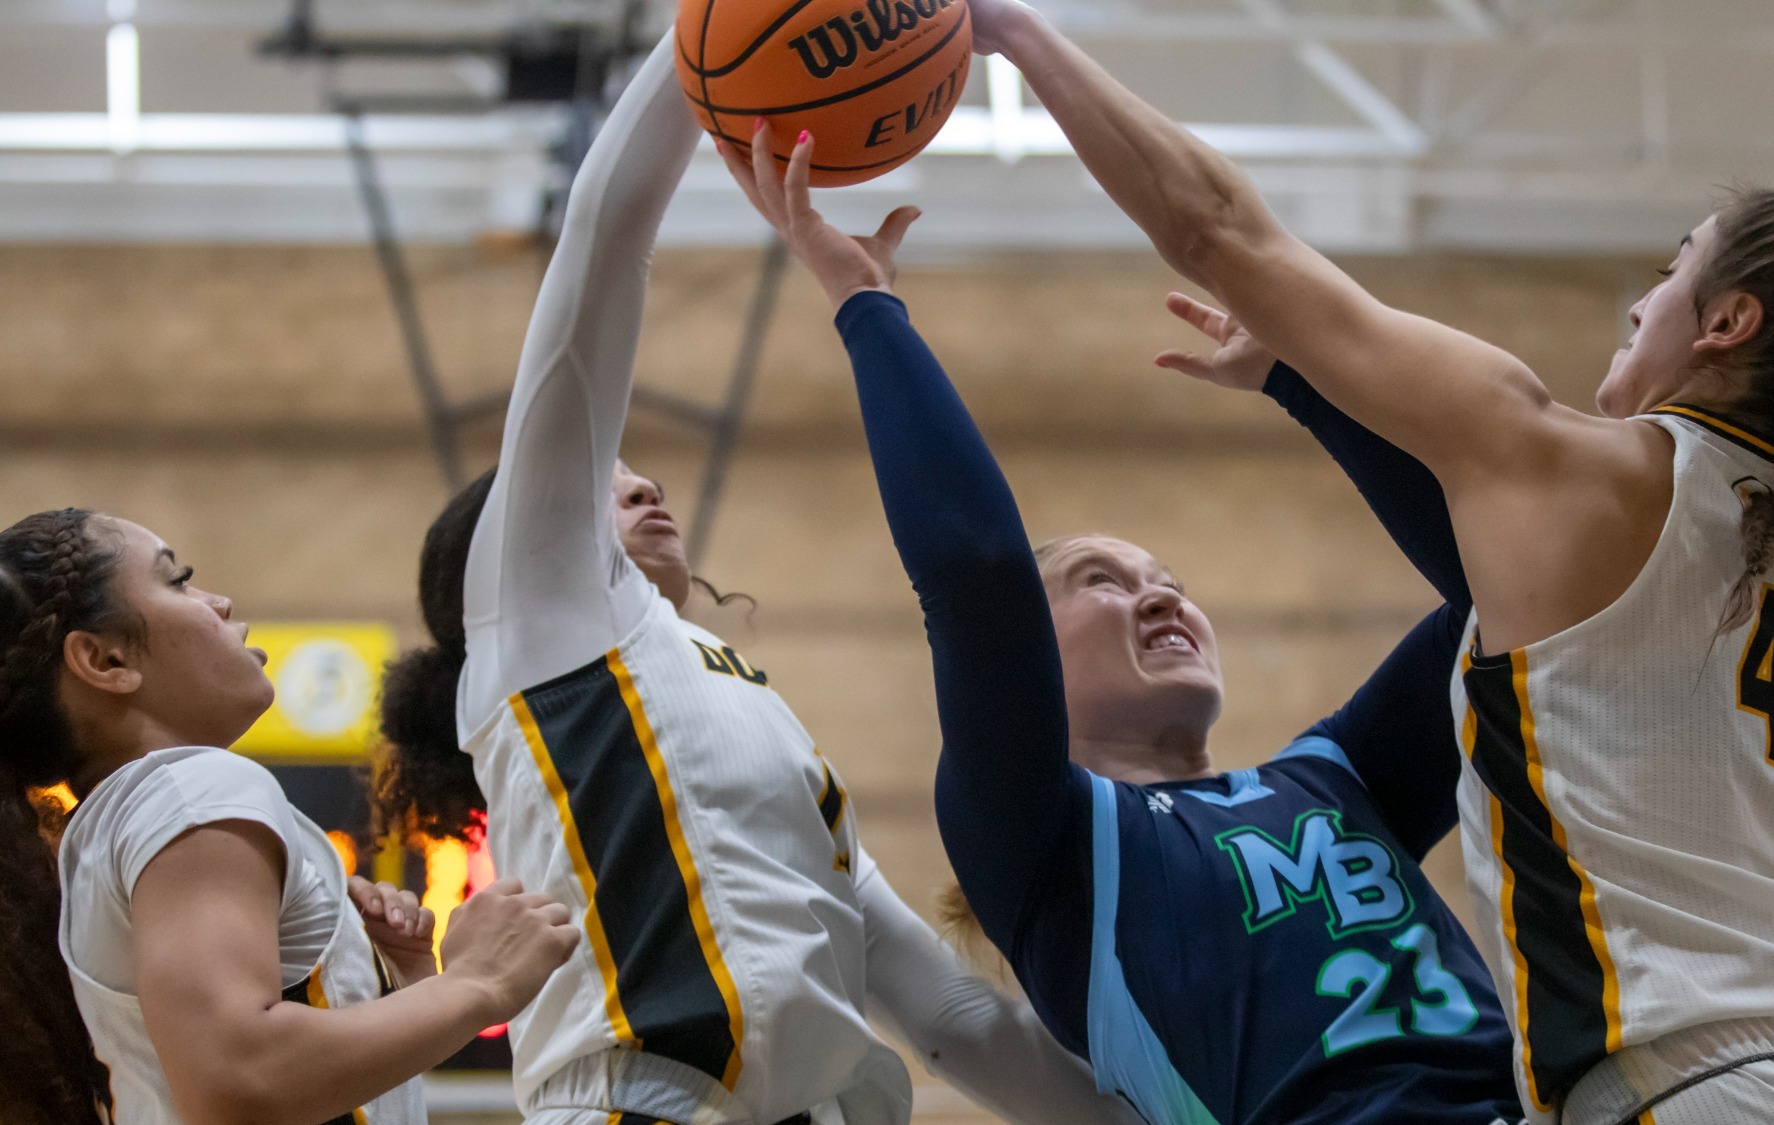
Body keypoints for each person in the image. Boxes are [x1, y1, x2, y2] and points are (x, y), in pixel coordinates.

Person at [964, 0, 1774, 1118]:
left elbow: (1221, 230)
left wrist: (1015, 33)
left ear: (1724, 323)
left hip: (1689, 1080)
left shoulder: (1554, 462)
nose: (1642, 296)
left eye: (1672, 268)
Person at [370, 29, 1141, 1125]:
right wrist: (702, 39)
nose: (641, 492)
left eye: (642, 475)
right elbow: (599, 253)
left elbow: (952, 1020)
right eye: (605, 483)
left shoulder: (760, 723)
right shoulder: (539, 616)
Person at [719, 125, 1525, 1125]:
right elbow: (973, 570)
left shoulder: (1332, 778)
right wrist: (862, 303)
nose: (1160, 596)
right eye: (1100, 580)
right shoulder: (1048, 847)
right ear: (1026, 655)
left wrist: (1302, 383)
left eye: (1170, 580)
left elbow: (1505, 585)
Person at [0, 507, 578, 1125]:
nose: (218, 601)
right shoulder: (191, 788)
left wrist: (391, 988)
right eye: (178, 580)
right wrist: (476, 984)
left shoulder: (120, 824)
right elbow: (235, 1083)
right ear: (105, 661)